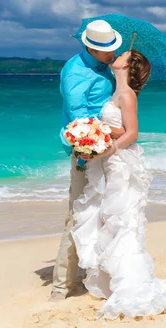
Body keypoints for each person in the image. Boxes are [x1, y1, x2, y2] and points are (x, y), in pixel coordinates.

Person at [70, 49, 166, 319]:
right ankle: (115, 279)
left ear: (127, 65)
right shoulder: (116, 92)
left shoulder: (127, 94)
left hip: (121, 164)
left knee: (122, 219)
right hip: (111, 162)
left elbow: (133, 133)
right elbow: (119, 127)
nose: (116, 56)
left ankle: (130, 283)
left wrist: (105, 150)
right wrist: (98, 137)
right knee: (111, 219)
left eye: (123, 55)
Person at [50, 20, 125, 302]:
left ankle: (93, 273)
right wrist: (118, 132)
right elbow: (80, 119)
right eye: (108, 50)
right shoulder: (76, 74)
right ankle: (61, 286)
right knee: (78, 213)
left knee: (106, 212)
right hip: (87, 149)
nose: (112, 54)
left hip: (107, 148)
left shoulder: (104, 67)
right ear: (92, 48)